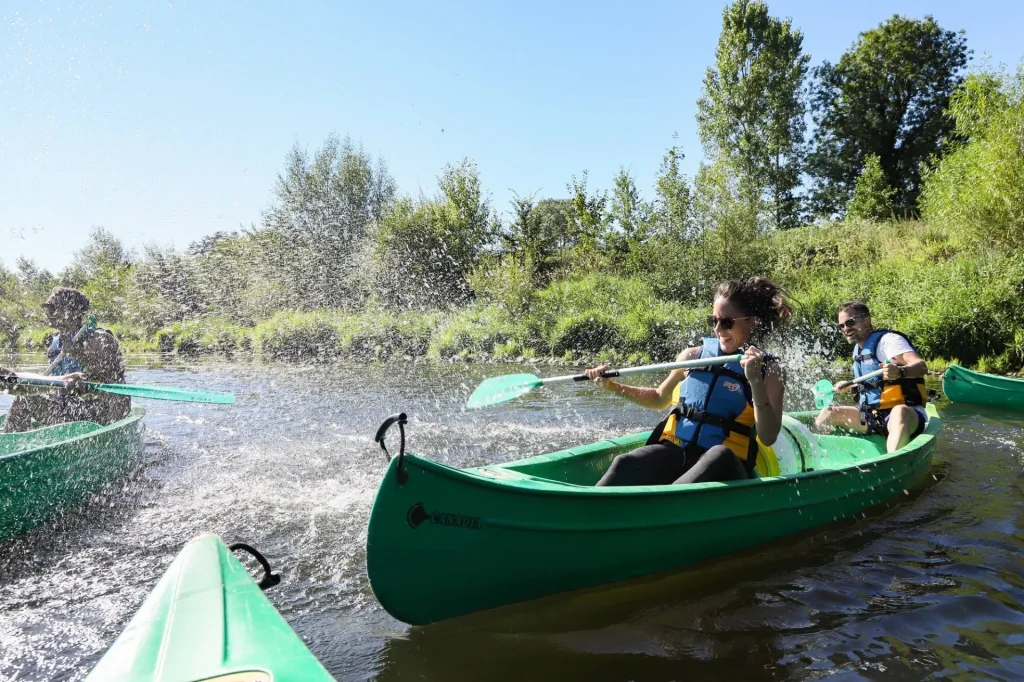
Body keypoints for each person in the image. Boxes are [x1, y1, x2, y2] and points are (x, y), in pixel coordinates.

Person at [587, 277, 791, 486]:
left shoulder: (769, 371)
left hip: (727, 467)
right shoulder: (692, 357)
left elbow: (767, 436)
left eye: (727, 322)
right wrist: (610, 385)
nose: (718, 330)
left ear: (751, 321)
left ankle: (670, 503)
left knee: (719, 455)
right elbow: (658, 398)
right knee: (624, 463)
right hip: (679, 453)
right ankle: (592, 511)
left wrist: (755, 380)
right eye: (714, 321)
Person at [2, 287, 130, 433]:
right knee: (23, 398)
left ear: (75, 311)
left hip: (97, 413)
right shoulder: (55, 343)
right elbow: (51, 384)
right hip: (64, 411)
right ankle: (10, 445)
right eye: (48, 308)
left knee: (25, 398)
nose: (49, 313)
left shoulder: (101, 339)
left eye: (54, 307)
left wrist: (78, 354)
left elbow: (114, 378)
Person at [814, 301, 928, 452]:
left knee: (899, 412)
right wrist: (850, 386)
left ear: (866, 320)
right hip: (872, 415)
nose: (846, 329)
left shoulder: (888, 341)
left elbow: (921, 366)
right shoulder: (858, 349)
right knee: (829, 412)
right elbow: (874, 384)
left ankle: (893, 462)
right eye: (842, 326)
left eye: (850, 322)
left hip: (908, 413)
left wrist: (901, 372)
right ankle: (820, 458)